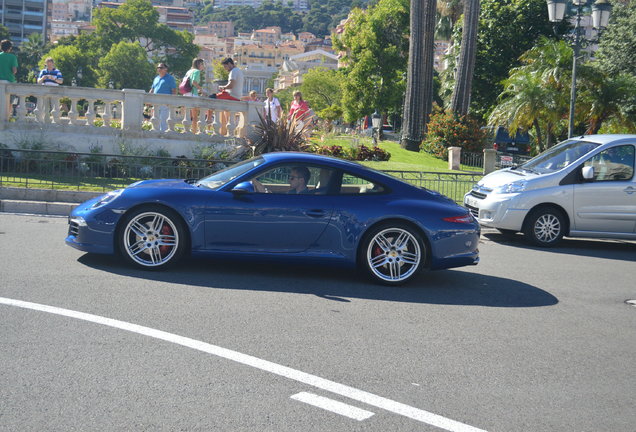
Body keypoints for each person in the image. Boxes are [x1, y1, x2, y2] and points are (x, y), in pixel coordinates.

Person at [149, 62, 176, 132]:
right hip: (155, 103)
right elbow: (152, 89)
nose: (159, 69)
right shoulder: (156, 78)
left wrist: (172, 102)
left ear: (166, 69)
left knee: (163, 121)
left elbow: (173, 90)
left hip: (165, 103)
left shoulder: (170, 78)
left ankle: (163, 136)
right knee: (155, 120)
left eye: (161, 68)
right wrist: (148, 99)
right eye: (158, 68)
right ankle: (155, 135)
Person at [183, 58, 205, 134]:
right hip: (192, 94)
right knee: (195, 115)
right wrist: (201, 89)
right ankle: (194, 132)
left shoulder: (189, 71)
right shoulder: (197, 71)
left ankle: (186, 130)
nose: (203, 66)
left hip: (186, 93)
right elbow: (194, 82)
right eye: (202, 64)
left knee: (187, 114)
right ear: (199, 64)